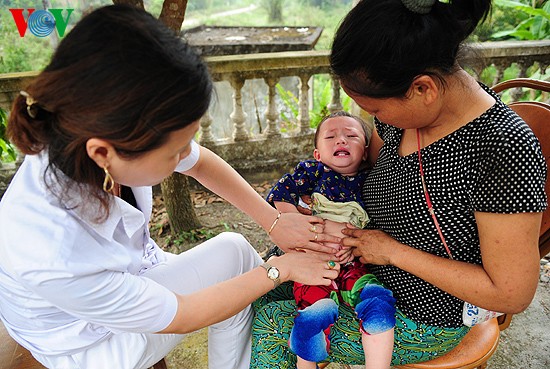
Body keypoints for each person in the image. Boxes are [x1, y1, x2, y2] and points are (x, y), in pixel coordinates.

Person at [0, 5, 343, 369]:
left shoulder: (93, 131)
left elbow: (201, 163)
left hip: (126, 276)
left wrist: (274, 222)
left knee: (235, 262)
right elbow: (183, 315)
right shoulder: (51, 248)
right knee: (238, 257)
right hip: (86, 344)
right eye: (176, 150)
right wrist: (280, 268)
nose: (186, 154)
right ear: (103, 152)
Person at [251, 0, 547, 367]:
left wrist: (392, 252)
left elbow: (512, 293)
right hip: (361, 269)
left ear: (423, 89)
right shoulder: (404, 117)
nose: (372, 121)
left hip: (425, 315)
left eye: (374, 111)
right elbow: (361, 179)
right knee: (257, 288)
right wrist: (320, 219)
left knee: (271, 320)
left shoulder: (501, 147)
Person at [266, 111, 395, 369]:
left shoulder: (371, 181)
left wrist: (354, 245)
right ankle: (309, 350)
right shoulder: (314, 172)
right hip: (311, 263)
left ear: (366, 150)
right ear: (317, 153)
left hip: (351, 264)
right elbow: (279, 195)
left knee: (378, 301)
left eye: (351, 136)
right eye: (331, 136)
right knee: (314, 310)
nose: (341, 141)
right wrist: (302, 229)